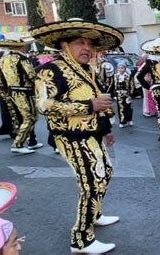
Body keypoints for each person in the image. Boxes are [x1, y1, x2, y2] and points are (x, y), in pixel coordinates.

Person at [31, 18, 124, 254]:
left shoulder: (87, 69)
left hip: (92, 133)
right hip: (69, 136)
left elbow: (100, 101)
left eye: (89, 44)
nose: (87, 48)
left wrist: (107, 129)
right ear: (64, 45)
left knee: (106, 173)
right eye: (80, 42)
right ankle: (81, 240)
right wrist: (88, 105)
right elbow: (44, 105)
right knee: (92, 182)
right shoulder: (49, 71)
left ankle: (94, 213)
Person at [0, 33, 43, 153]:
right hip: (24, 92)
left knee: (27, 116)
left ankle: (32, 141)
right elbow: (31, 76)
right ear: (20, 46)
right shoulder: (22, 59)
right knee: (30, 117)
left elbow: (0, 78)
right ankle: (18, 144)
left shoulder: (3, 59)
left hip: (11, 91)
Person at [110, 62, 133, 128]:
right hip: (119, 94)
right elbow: (112, 85)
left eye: (122, 68)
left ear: (125, 68)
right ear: (117, 69)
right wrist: (113, 94)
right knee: (121, 108)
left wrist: (130, 94)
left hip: (127, 94)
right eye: (119, 68)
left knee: (128, 107)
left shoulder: (128, 75)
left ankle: (129, 119)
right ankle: (122, 121)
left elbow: (131, 85)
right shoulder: (115, 76)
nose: (121, 69)